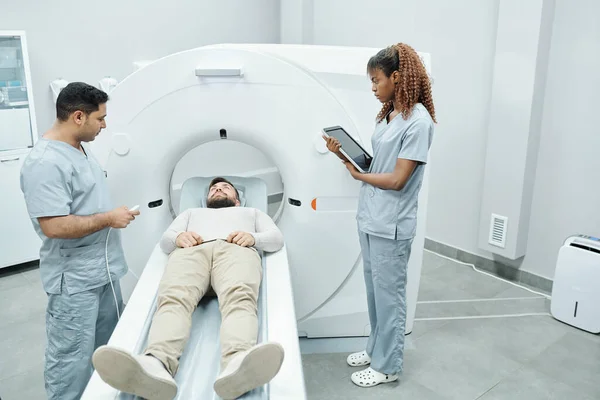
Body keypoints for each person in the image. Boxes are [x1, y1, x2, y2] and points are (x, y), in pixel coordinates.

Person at [91, 177, 285, 400]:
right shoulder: (191, 213)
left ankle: (237, 363)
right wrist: (178, 237)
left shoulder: (252, 213)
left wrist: (253, 237)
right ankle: (156, 363)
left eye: (225, 188)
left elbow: (276, 238)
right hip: (192, 250)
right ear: (207, 198)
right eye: (214, 189)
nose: (218, 190)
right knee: (174, 300)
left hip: (236, 248)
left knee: (240, 299)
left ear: (237, 200)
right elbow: (166, 241)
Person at [323, 43, 436, 388]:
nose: (373, 87)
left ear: (397, 77)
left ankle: (388, 365)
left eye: (376, 80)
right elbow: (381, 165)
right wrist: (347, 158)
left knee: (390, 295)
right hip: (371, 216)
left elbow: (399, 179)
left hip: (393, 222)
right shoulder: (389, 115)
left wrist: (360, 176)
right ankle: (375, 349)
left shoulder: (418, 122)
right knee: (375, 291)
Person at [19, 82, 141, 400]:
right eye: (100, 118)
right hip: (75, 282)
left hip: (103, 271)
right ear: (78, 117)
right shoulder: (44, 162)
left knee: (110, 352)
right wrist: (109, 219)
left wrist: (111, 217)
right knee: (71, 363)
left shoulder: (79, 147)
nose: (105, 125)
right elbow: (54, 226)